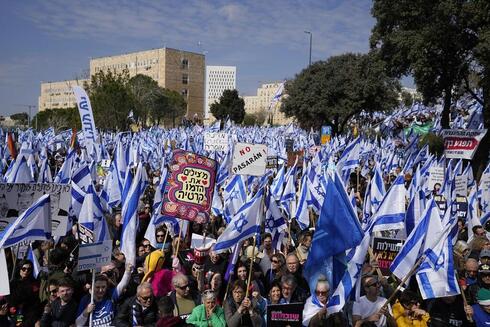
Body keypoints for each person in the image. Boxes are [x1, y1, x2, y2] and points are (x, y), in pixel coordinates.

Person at [8, 259, 41, 327]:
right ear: (19, 269)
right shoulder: (13, 283)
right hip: (17, 312)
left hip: (30, 314)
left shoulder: (33, 283)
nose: (26, 271)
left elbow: (35, 299)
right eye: (24, 269)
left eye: (29, 269)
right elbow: (10, 299)